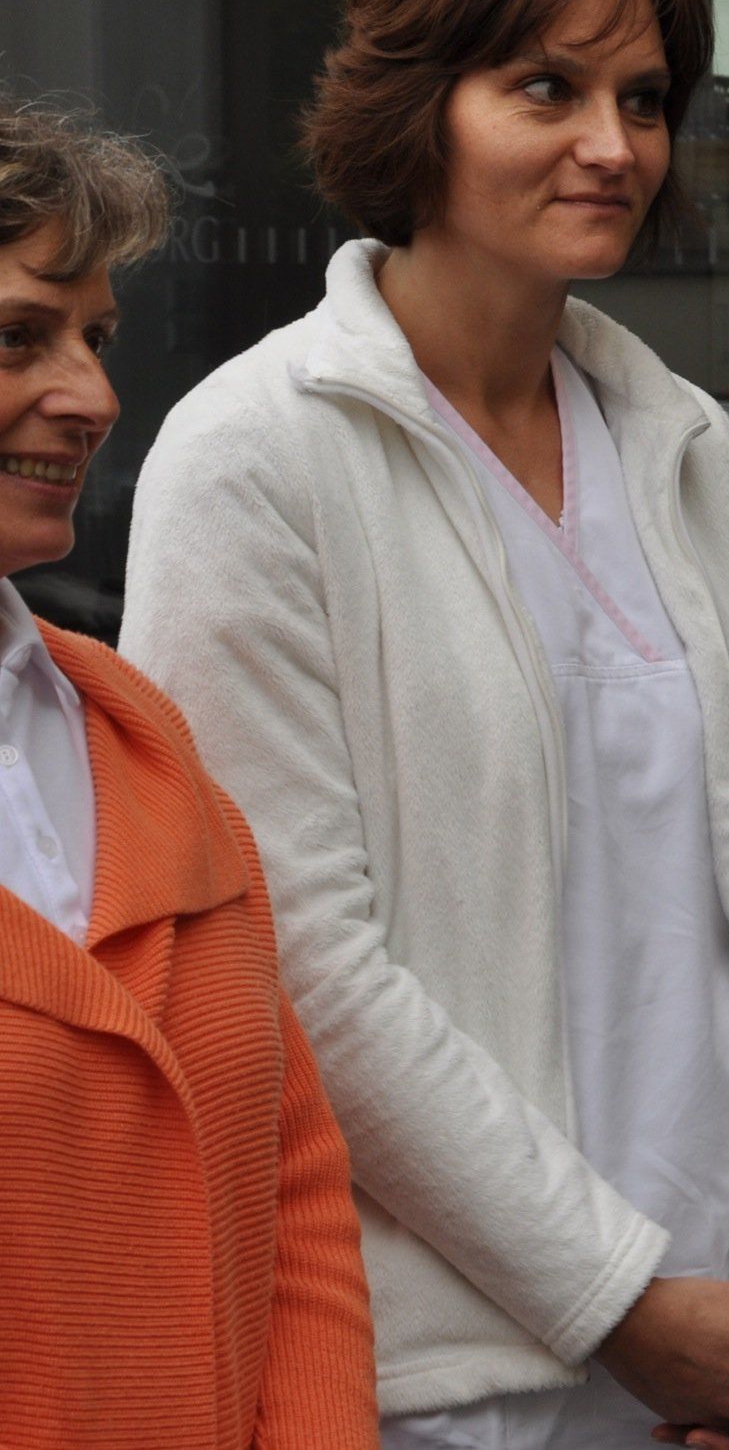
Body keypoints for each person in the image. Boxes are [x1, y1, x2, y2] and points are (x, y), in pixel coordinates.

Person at [119, 0, 729, 1450]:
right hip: (455, 1379)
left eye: (643, 98)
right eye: (547, 87)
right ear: (418, 104)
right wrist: (617, 1300)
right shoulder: (256, 455)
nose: (614, 145)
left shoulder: (677, 440)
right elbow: (294, 956)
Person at [0, 96, 376, 1446]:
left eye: (96, 339)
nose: (94, 398)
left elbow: (296, 1184)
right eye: (18, 337)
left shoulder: (136, 736)